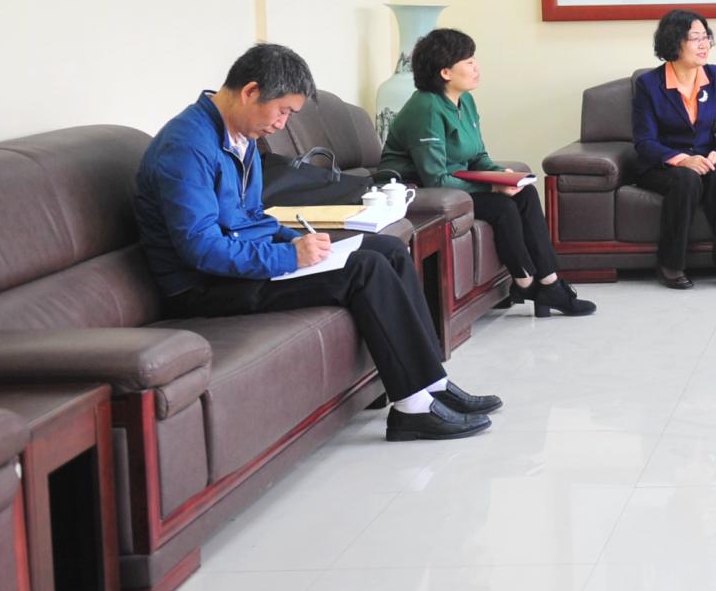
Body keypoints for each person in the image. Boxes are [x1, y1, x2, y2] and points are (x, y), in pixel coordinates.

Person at [135, 44, 500, 442]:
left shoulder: (239, 135)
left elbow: (253, 217)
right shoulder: (187, 147)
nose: (281, 125)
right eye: (282, 111)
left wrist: (299, 240)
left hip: (239, 267)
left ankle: (432, 384)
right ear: (251, 91)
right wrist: (288, 255)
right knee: (365, 269)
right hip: (204, 286)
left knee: (389, 250)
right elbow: (201, 249)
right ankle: (412, 408)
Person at [380, 28, 594, 319]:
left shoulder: (464, 101)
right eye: (468, 62)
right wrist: (492, 188)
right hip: (420, 190)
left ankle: (550, 282)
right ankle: (524, 282)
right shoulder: (426, 109)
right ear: (445, 72)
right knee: (502, 206)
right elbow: (435, 178)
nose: (476, 67)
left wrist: (500, 174)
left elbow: (477, 155)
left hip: (456, 183)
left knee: (525, 193)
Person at [631, 9, 716, 291]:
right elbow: (644, 141)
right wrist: (682, 159)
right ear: (674, 42)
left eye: (706, 37)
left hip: (706, 159)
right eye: (695, 38)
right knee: (687, 180)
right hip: (663, 164)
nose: (704, 44)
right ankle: (671, 265)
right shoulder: (649, 85)